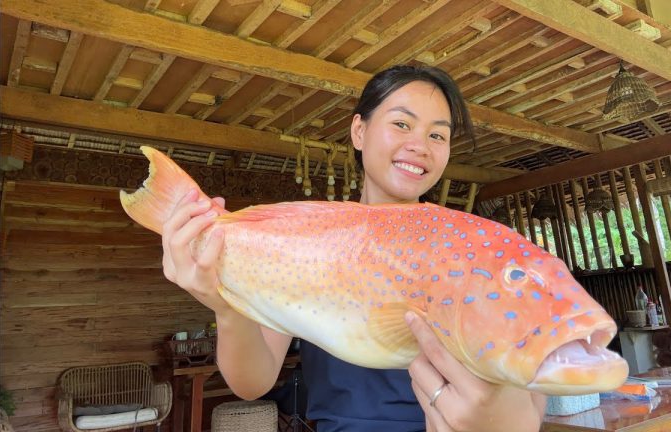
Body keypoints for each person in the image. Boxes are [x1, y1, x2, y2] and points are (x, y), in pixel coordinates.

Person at [161, 65, 547, 432]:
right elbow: (253, 383)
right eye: (401, 124)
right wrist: (226, 308)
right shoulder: (308, 241)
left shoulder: (472, 247)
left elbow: (531, 389)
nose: (420, 146)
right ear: (359, 131)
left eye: (437, 135)